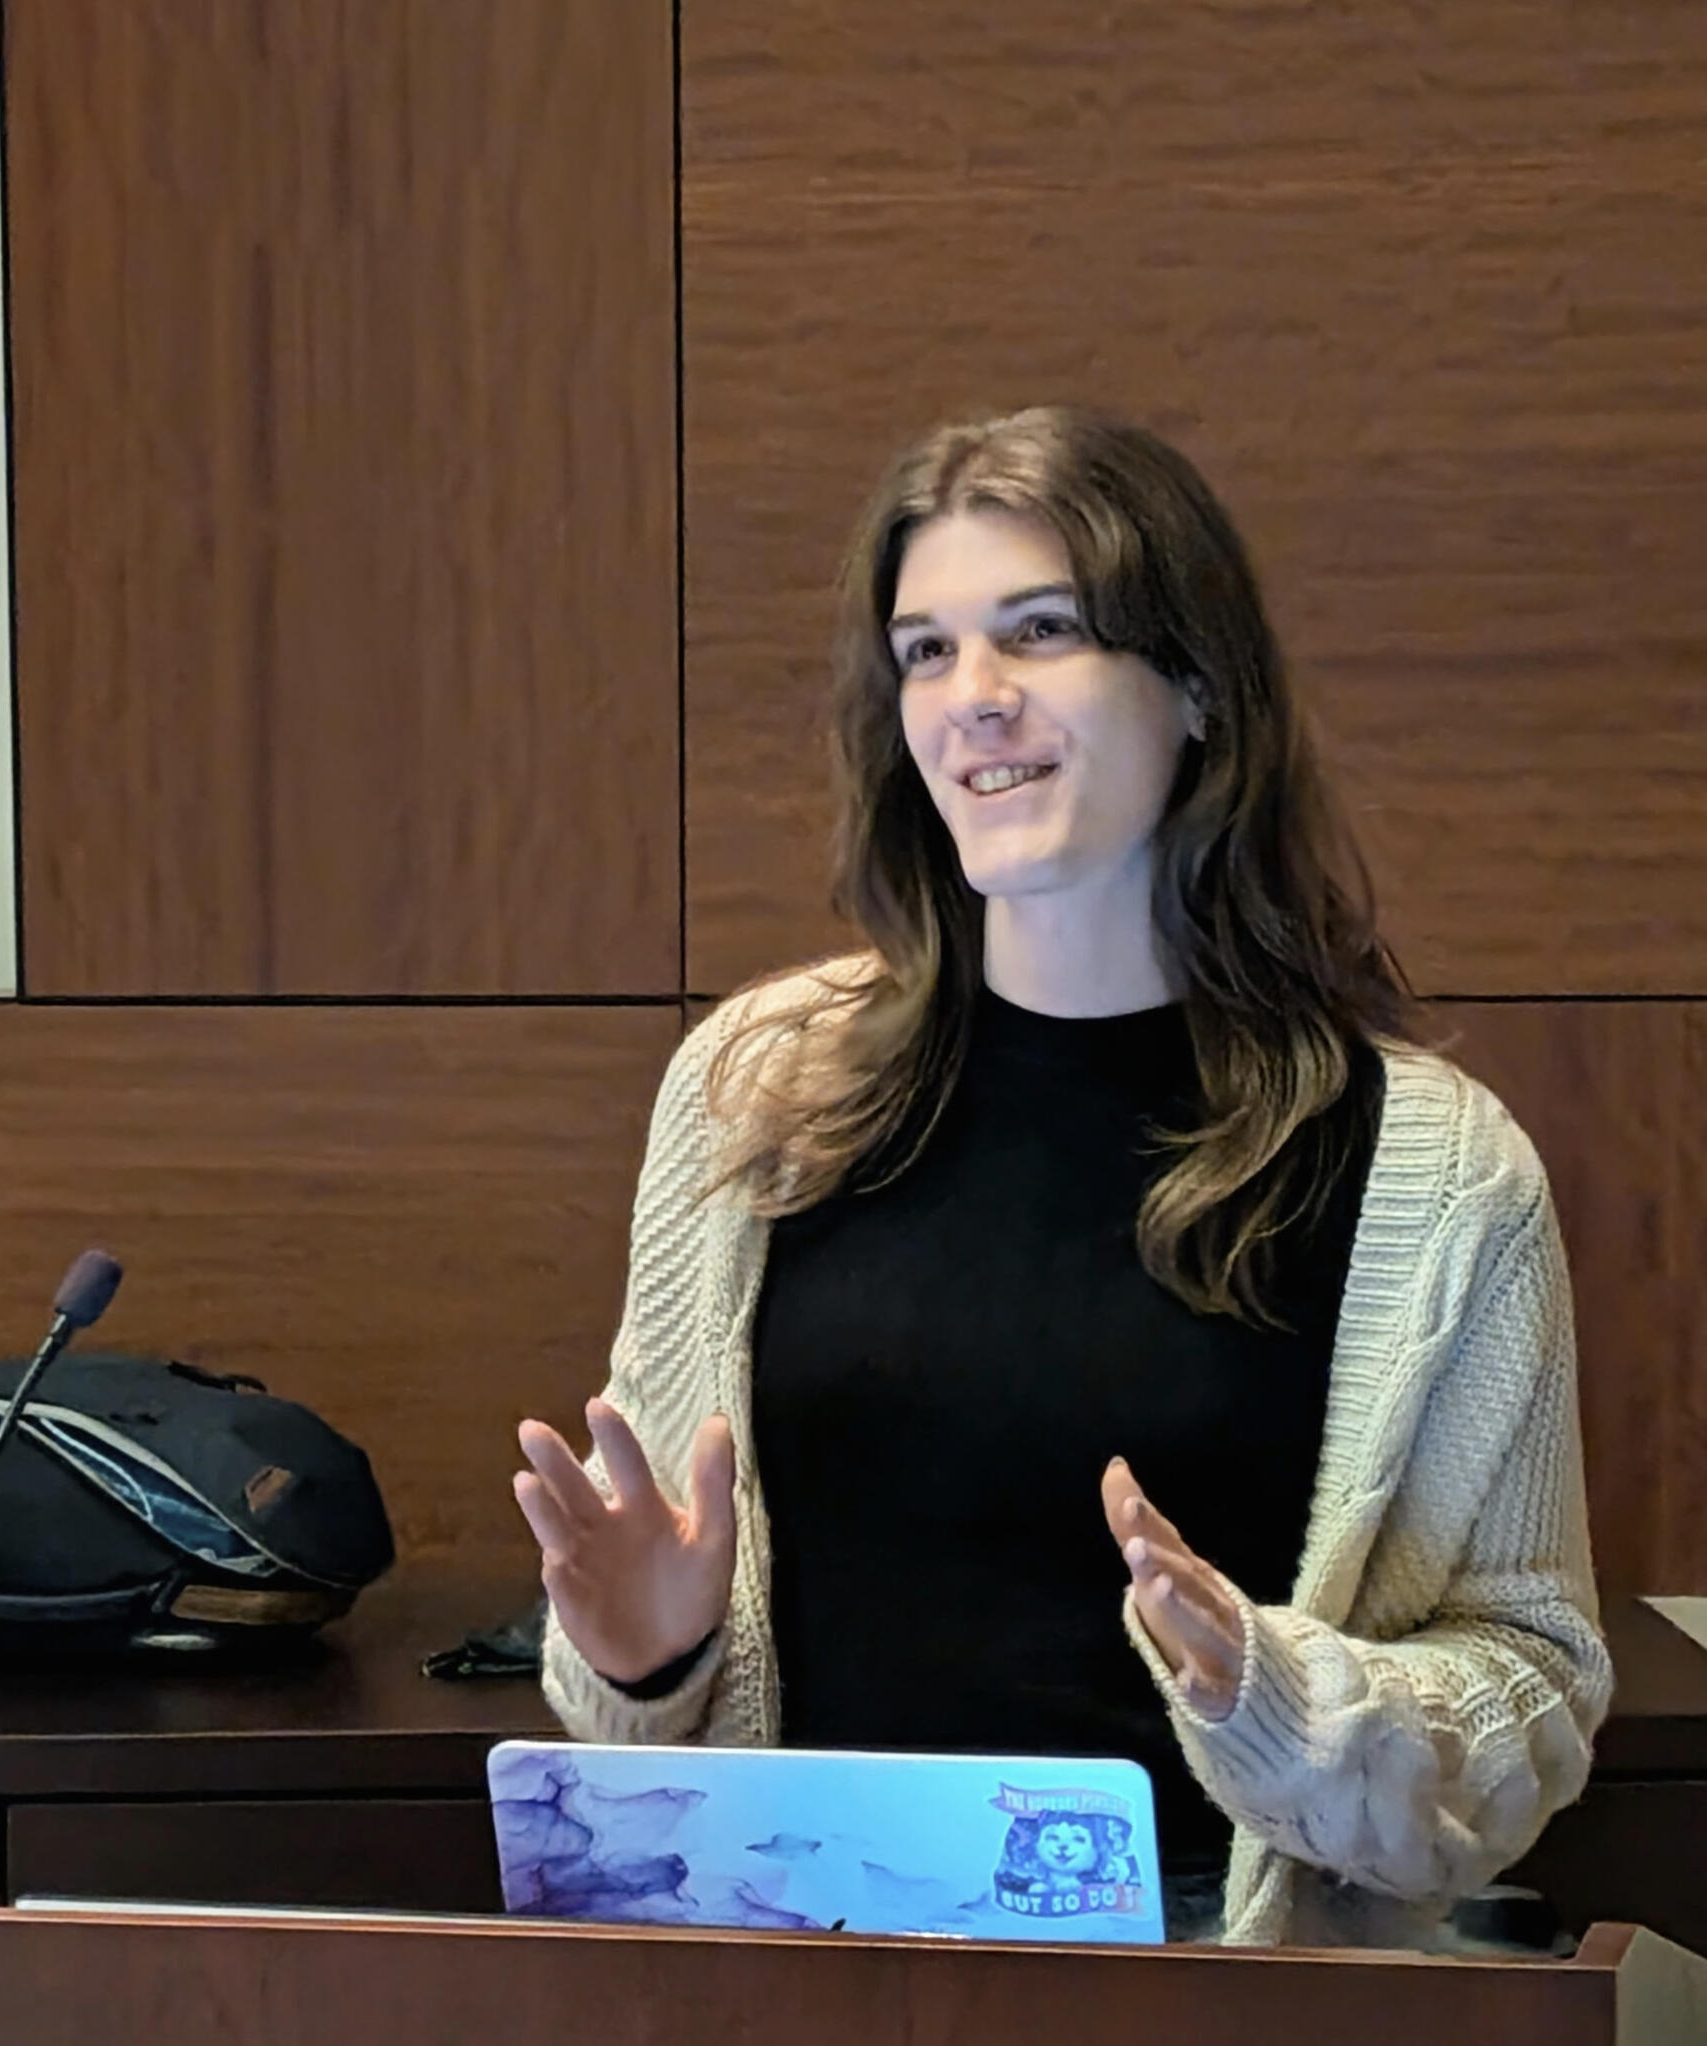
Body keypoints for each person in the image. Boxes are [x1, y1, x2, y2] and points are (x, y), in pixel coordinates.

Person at [514, 406, 1612, 1949]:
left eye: (1040, 632)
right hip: (795, 2008)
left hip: (1215, 2042)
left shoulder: (1435, 1178)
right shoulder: (753, 1094)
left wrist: (1273, 1694)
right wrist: (642, 1660)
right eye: (926, 651)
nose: (974, 700)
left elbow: (1532, 1698)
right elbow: (626, 1731)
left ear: (1199, 688)